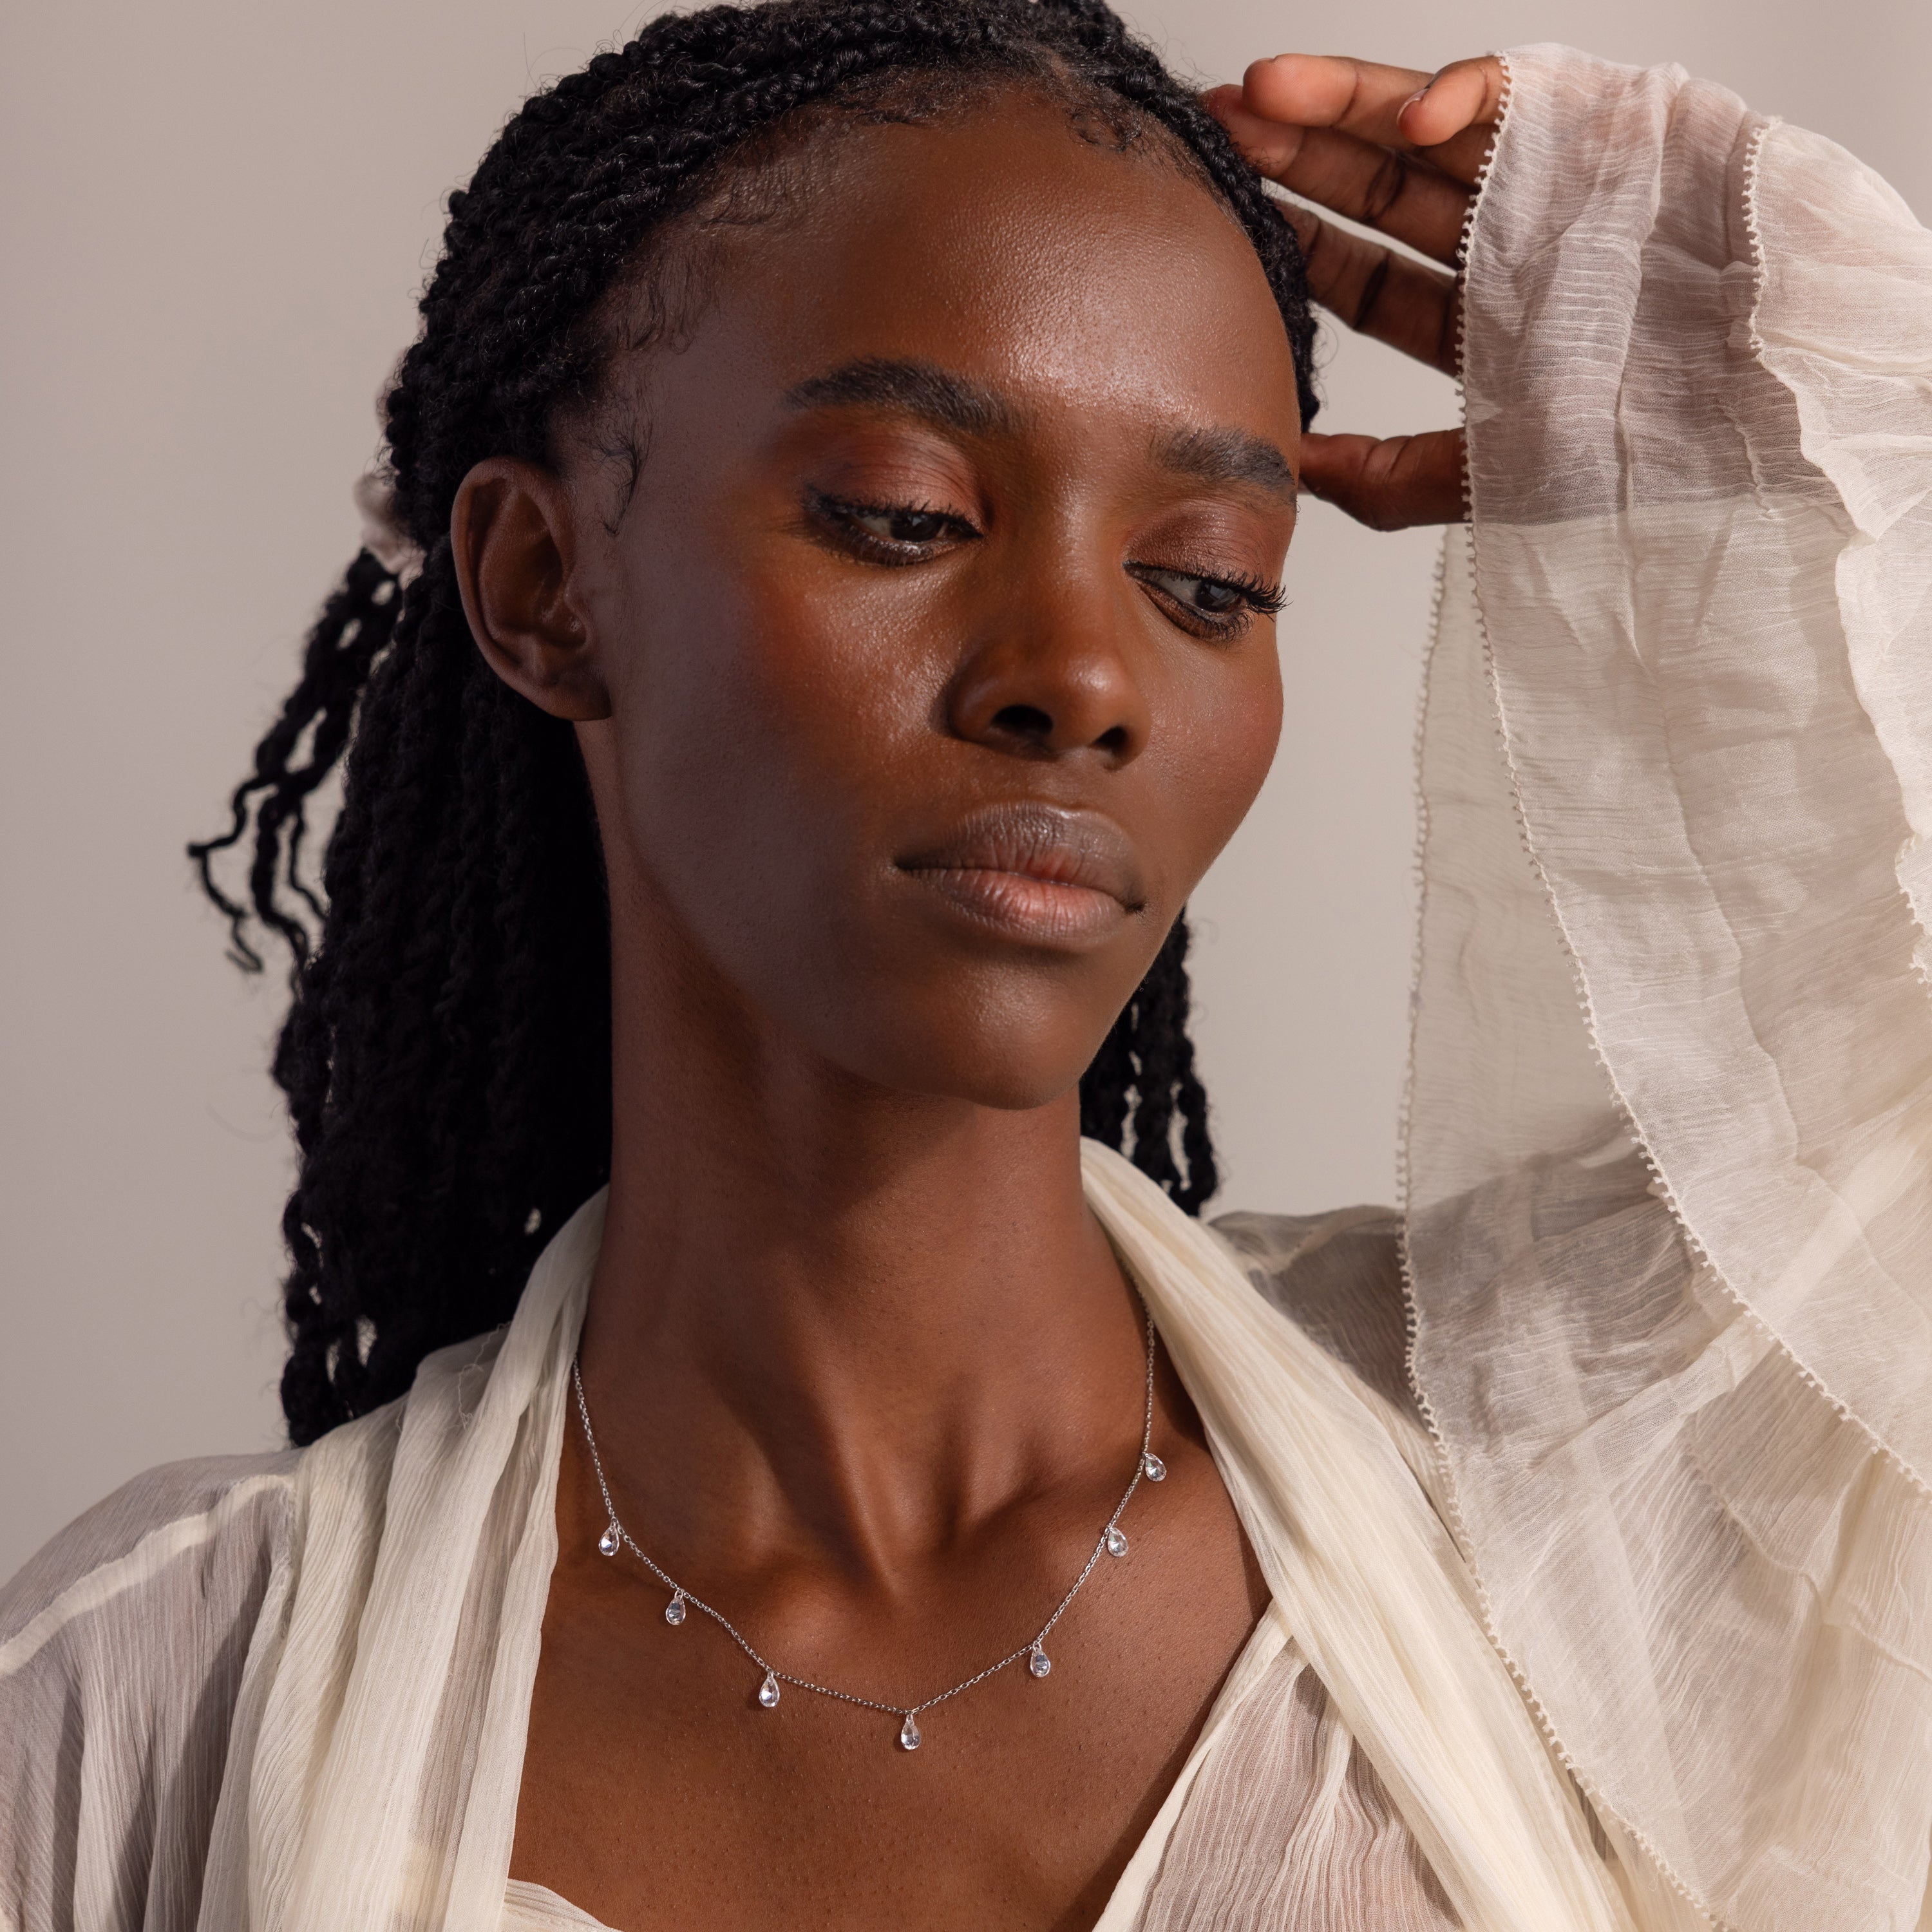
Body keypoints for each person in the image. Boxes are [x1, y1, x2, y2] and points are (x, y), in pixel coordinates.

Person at [4, 1, 1929, 1927]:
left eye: (1207, 583)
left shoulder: (1578, 1475)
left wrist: (1851, 407)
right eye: (905, 519)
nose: (1082, 678)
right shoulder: (153, 1717)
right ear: (541, 582)